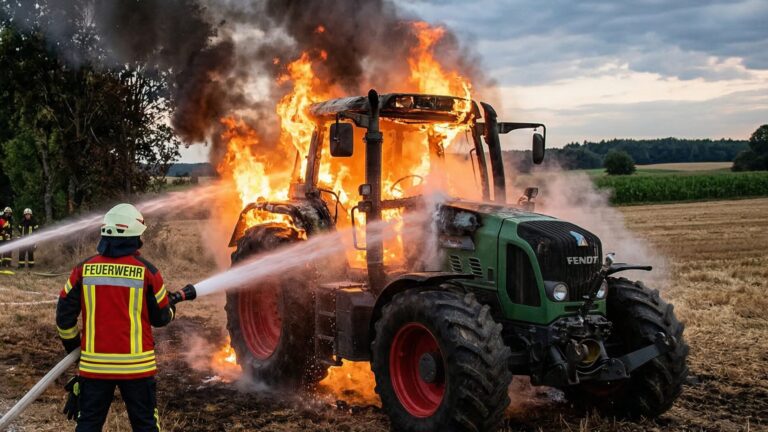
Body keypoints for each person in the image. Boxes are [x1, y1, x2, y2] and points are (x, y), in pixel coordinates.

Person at [56, 203, 181, 432]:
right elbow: (161, 318)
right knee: (145, 425)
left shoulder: (83, 269)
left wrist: (76, 351)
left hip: (95, 368)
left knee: (88, 425)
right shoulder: (148, 271)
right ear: (135, 236)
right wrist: (172, 308)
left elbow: (64, 318)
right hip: (137, 369)